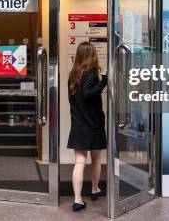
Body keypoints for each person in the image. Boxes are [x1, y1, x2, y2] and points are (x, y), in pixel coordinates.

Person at [67, 42, 107, 212]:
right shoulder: (90, 73)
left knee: (79, 161)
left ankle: (77, 199)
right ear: (91, 55)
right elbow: (89, 93)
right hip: (93, 124)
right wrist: (104, 80)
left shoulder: (73, 74)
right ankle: (95, 189)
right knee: (96, 158)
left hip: (78, 123)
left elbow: (76, 99)